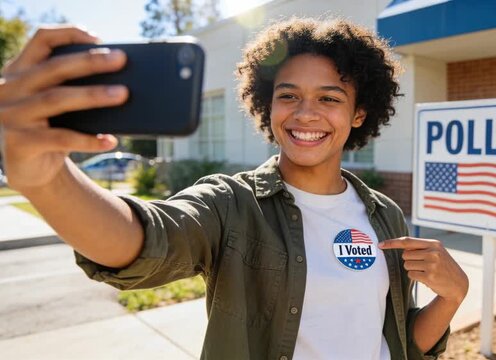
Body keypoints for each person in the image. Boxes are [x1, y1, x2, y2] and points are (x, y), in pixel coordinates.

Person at [0, 18, 468, 360]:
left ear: (359, 113)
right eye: (288, 96)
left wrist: (452, 295)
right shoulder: (231, 204)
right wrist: (47, 179)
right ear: (267, 106)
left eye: (330, 98)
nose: (306, 114)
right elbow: (147, 240)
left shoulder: (385, 215)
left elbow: (402, 343)